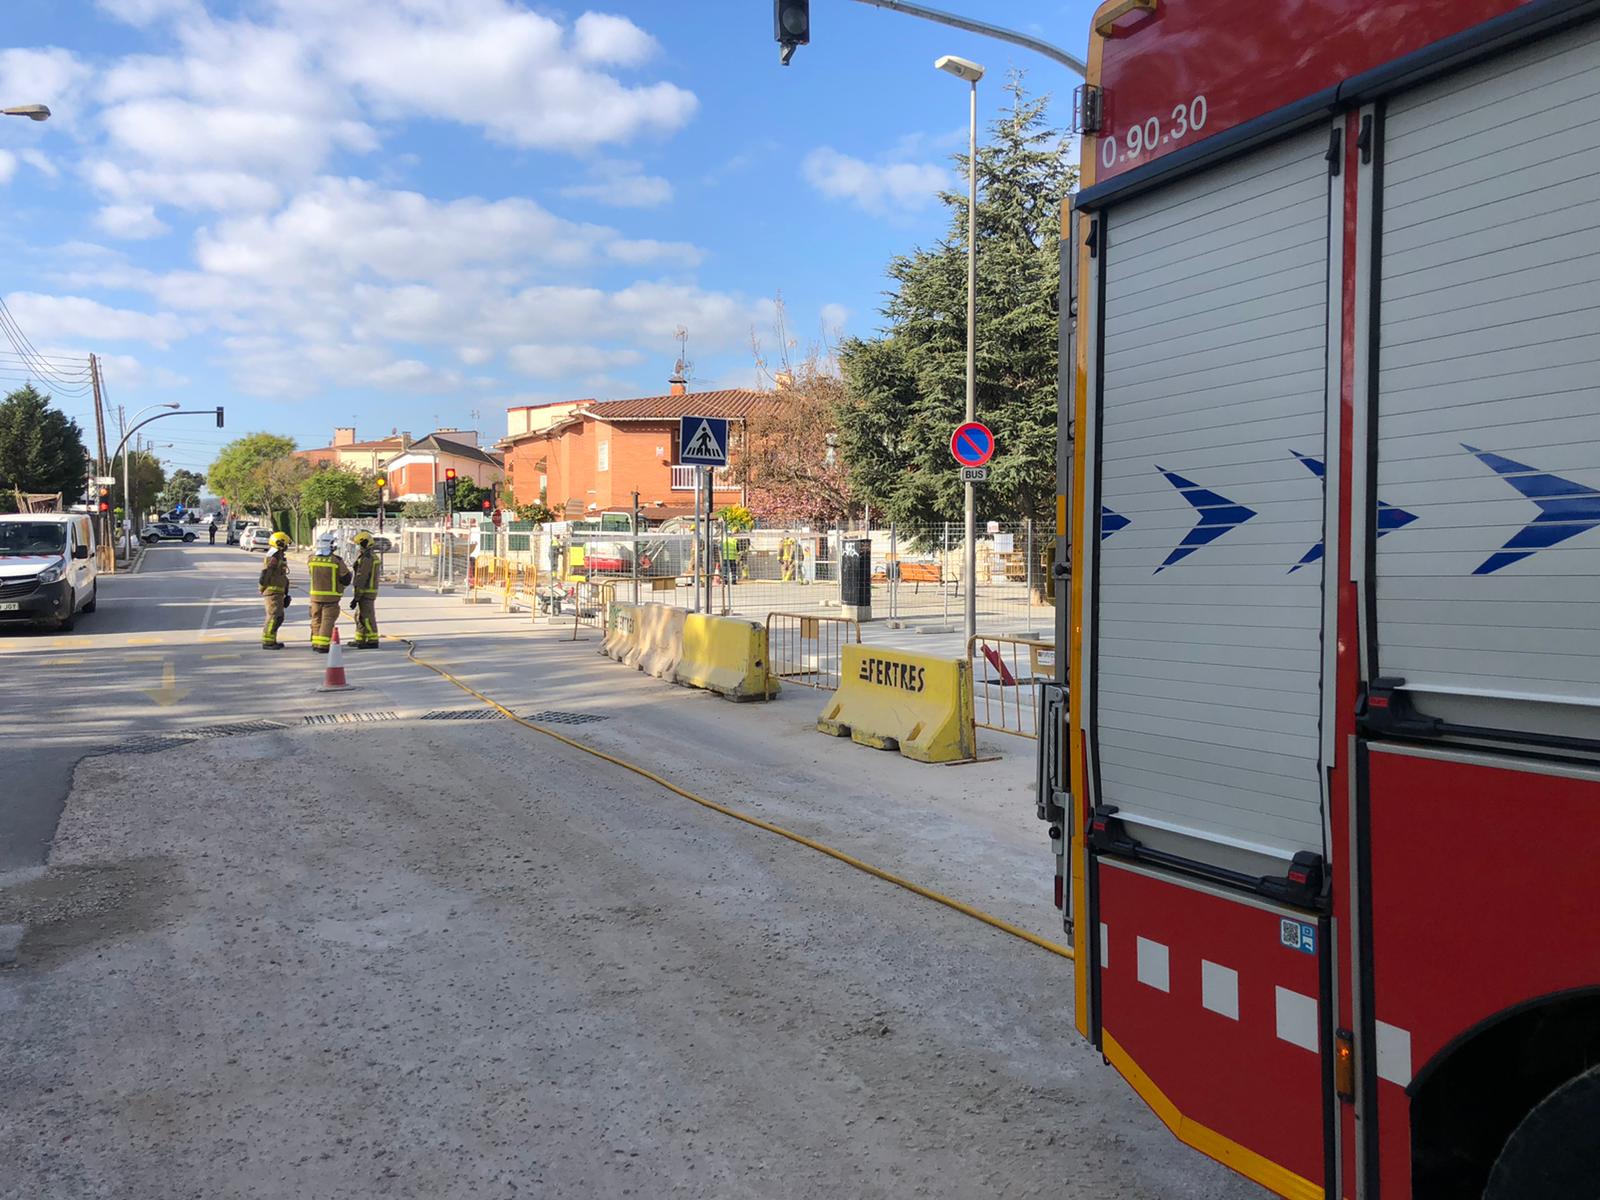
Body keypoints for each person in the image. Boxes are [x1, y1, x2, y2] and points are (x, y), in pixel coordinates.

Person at [306, 533, 352, 653]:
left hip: (315, 596)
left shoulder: (311, 559)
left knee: (316, 619)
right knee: (327, 620)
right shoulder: (336, 560)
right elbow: (346, 578)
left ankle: (316, 642)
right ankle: (323, 645)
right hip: (331, 597)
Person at [259, 531, 291, 650]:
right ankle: (268, 641)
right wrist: (263, 587)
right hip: (272, 592)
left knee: (279, 616)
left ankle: (272, 639)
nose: (287, 546)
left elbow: (281, 575)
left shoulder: (279, 556)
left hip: (278, 592)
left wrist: (286, 592)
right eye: (285, 544)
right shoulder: (273, 556)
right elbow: (266, 573)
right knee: (274, 616)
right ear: (280, 543)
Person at [349, 530, 381, 649]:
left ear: (365, 543)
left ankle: (372, 640)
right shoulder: (369, 556)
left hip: (366, 592)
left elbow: (362, 578)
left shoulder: (367, 558)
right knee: (360, 616)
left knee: (367, 617)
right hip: (366, 592)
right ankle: (360, 639)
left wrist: (356, 597)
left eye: (359, 544)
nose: (358, 547)